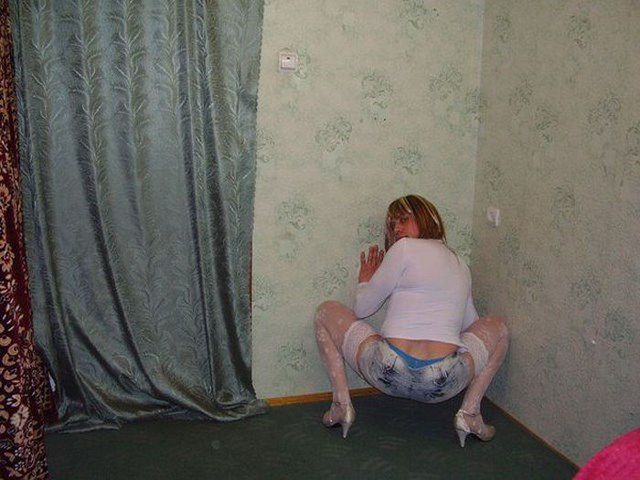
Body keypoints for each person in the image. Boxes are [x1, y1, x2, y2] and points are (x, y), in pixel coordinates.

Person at [314, 194, 509, 446]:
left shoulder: (403, 248)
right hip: (444, 381)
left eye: (403, 220)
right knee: (500, 329)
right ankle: (470, 414)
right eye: (392, 224)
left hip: (386, 370)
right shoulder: (461, 265)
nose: (396, 228)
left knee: (325, 311)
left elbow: (362, 309)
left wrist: (364, 282)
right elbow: (471, 325)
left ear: (426, 218)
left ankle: (341, 406)